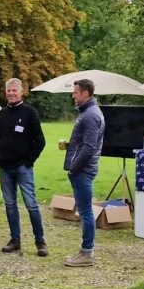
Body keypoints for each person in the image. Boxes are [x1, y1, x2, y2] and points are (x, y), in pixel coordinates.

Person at [0, 78, 47, 256]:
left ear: (21, 92)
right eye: (8, 91)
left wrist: (28, 161)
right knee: (10, 204)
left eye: (14, 90)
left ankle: (40, 242)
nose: (11, 93)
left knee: (31, 204)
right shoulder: (2, 114)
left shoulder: (30, 112)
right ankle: (15, 240)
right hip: (4, 168)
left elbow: (40, 141)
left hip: (23, 167)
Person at [62, 79, 105, 267]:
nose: (73, 95)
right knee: (85, 210)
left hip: (83, 171)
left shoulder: (90, 116)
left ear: (86, 93)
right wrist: (70, 146)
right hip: (82, 169)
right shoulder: (88, 113)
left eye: (76, 92)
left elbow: (89, 148)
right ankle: (85, 251)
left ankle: (87, 253)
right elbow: (84, 144)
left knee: (86, 211)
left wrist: (74, 168)